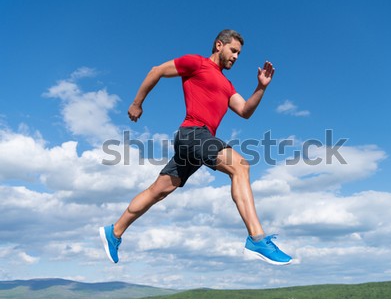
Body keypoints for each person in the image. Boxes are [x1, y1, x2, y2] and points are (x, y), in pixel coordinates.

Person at [99, 29, 292, 266]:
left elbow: (244, 111)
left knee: (158, 191)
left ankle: (114, 231)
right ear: (219, 45)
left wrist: (261, 87)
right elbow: (156, 71)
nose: (236, 57)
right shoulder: (196, 63)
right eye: (233, 51)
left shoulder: (227, 85)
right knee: (240, 166)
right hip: (193, 133)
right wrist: (137, 103)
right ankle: (257, 238)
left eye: (239, 54)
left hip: (197, 143)